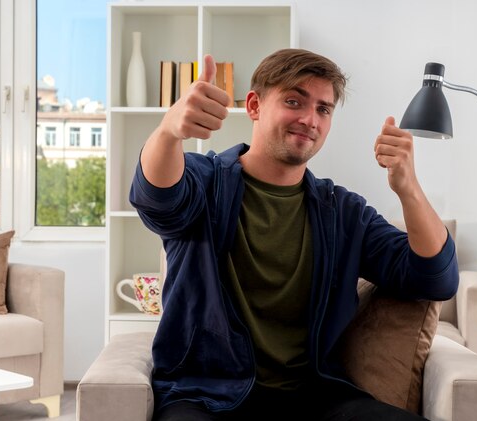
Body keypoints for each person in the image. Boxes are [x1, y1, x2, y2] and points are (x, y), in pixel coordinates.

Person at [129, 48, 459, 421]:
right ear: (254, 105)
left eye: (323, 109)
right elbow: (156, 198)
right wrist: (169, 132)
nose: (309, 119)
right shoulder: (206, 182)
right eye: (293, 101)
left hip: (315, 397)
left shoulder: (342, 212)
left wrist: (409, 189)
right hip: (208, 395)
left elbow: (436, 279)